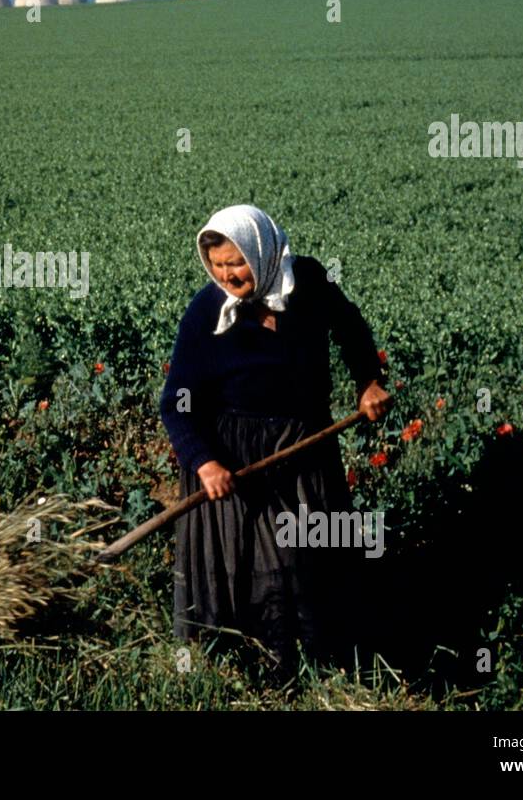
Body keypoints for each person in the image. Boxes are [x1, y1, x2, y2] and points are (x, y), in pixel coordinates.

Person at [159, 204, 392, 681]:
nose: (227, 275)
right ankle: (258, 672)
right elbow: (175, 402)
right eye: (218, 266)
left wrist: (367, 381)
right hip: (232, 455)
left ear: (260, 251)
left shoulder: (307, 283)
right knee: (265, 564)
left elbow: (350, 329)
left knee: (312, 555)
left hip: (304, 445)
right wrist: (204, 463)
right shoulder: (207, 311)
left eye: (236, 263)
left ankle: (324, 663)